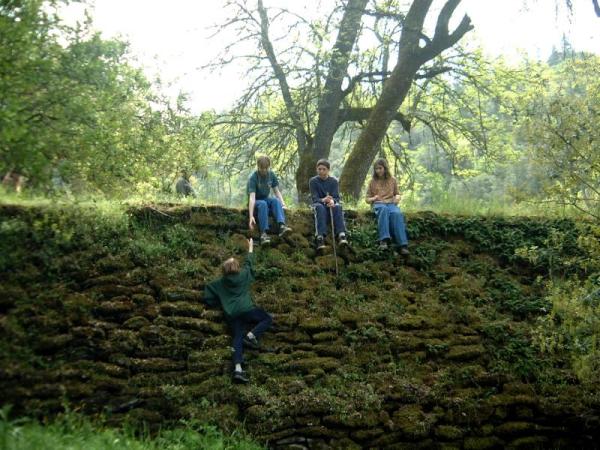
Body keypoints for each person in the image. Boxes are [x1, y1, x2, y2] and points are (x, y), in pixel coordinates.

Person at [202, 238, 273, 384]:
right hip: (247, 310)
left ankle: (238, 369)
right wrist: (251, 248)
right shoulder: (243, 275)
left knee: (237, 337)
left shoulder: (219, 283)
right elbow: (249, 263)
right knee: (267, 318)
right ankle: (251, 336)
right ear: (236, 267)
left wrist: (219, 302)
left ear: (225, 269)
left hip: (232, 315)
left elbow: (208, 294)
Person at [365, 158, 409, 255]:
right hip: (378, 204)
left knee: (397, 214)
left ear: (385, 168)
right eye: (376, 169)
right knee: (383, 209)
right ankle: (384, 240)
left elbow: (397, 194)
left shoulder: (392, 180)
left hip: (391, 204)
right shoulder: (372, 181)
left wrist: (397, 198)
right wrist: (374, 198)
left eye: (380, 168)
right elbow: (367, 199)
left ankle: (402, 245)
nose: (378, 171)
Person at [247, 155, 292, 245]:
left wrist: (283, 204)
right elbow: (252, 198)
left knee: (275, 201)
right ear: (258, 166)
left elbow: (277, 191)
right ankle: (263, 234)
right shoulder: (253, 177)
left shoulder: (271, 175)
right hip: (256, 201)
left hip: (265, 199)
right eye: (262, 168)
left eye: (266, 168)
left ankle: (282, 226)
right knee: (263, 204)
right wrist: (251, 216)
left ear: (268, 167)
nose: (264, 170)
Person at [309, 159, 348, 250]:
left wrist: (332, 201)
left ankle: (341, 235)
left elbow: (336, 197)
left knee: (338, 207)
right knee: (320, 208)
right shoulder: (313, 181)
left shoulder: (334, 181)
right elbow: (315, 198)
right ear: (316, 169)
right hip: (319, 204)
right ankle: (320, 237)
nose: (321, 171)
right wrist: (323, 200)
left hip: (330, 204)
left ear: (328, 170)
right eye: (319, 169)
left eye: (324, 169)